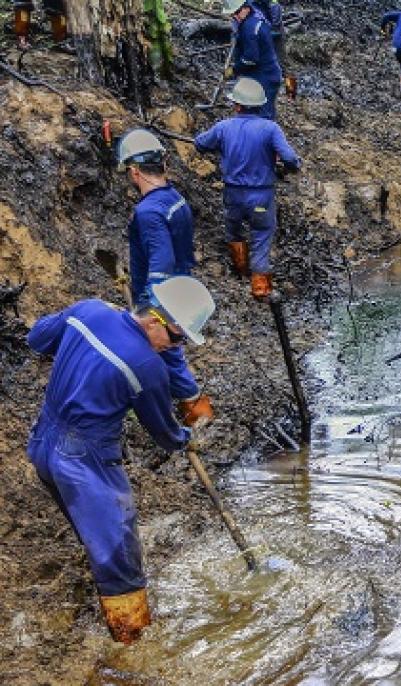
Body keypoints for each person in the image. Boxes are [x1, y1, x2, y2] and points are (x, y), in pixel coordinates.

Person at [26, 277, 216, 644]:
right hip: (85, 458)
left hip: (43, 444)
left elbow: (38, 338)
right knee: (118, 546)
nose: (173, 349)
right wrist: (188, 439)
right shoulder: (145, 367)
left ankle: (100, 591)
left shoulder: (89, 310)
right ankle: (130, 639)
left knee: (89, 529)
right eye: (176, 340)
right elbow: (163, 431)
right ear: (153, 322)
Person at [115, 129, 214, 426]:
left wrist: (147, 307)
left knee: (163, 354)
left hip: (163, 293)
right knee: (170, 355)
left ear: (134, 172)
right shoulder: (175, 199)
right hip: (180, 286)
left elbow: (160, 263)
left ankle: (195, 416)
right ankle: (194, 411)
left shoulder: (148, 212)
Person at [193, 78, 301, 300]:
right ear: (260, 105)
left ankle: (240, 270)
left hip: (232, 194)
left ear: (237, 105)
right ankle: (260, 288)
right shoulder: (270, 129)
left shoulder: (223, 127)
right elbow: (290, 158)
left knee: (234, 230)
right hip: (261, 195)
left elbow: (200, 143)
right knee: (261, 235)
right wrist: (290, 167)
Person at [222, 0, 282, 119]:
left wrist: (234, 70)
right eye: (232, 14)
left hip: (265, 77)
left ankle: (266, 135)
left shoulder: (250, 28)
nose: (234, 16)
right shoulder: (251, 21)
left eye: (236, 12)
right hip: (262, 75)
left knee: (264, 115)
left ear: (246, 9)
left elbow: (251, 58)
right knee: (255, 112)